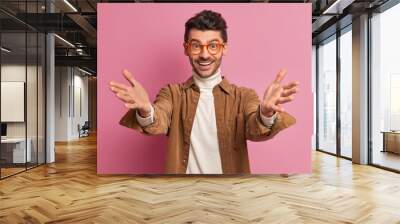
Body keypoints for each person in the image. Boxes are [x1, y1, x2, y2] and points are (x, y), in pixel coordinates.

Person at [109, 10, 299, 174]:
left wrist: (266, 113)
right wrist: (146, 110)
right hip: (182, 195)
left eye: (213, 46)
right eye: (196, 45)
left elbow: (254, 128)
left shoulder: (245, 96)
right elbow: (159, 119)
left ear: (224, 48)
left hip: (229, 194)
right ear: (186, 48)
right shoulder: (172, 93)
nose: (205, 54)